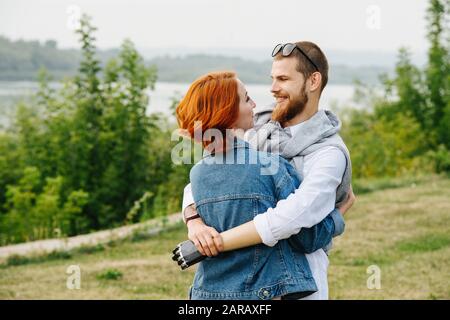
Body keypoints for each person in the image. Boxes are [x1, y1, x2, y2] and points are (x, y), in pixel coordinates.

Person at [180, 41, 355, 300]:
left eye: (283, 79)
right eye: (272, 79)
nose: (273, 89)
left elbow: (291, 219)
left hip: (298, 286)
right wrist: (194, 221)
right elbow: (204, 179)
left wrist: (216, 243)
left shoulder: (328, 153)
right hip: (236, 286)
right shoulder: (254, 131)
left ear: (313, 81)